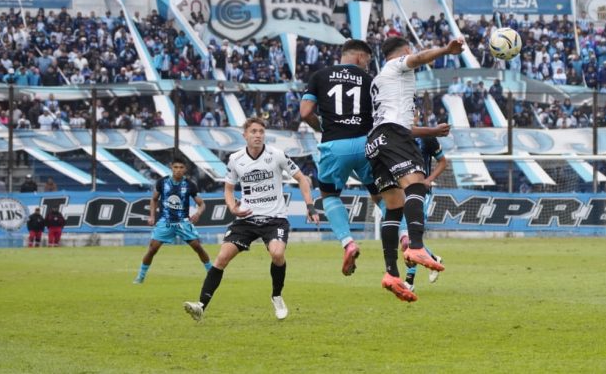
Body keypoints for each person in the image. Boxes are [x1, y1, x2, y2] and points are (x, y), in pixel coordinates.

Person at [184, 116, 320, 322]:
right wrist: (232, 207)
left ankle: (276, 296)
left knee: (277, 254)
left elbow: (302, 178)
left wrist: (310, 206)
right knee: (221, 258)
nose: (258, 135)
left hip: (274, 218)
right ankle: (201, 305)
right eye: (253, 132)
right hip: (246, 218)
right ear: (245, 135)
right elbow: (228, 189)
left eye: (261, 132)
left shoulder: (277, 155)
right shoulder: (235, 159)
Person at [365, 35, 464, 302]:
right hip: (393, 135)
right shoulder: (398, 65)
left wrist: (431, 131)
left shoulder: (379, 80)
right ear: (404, 51)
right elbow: (419, 58)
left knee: (394, 207)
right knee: (417, 185)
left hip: (375, 142)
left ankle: (391, 273)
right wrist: (446, 49)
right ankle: (417, 246)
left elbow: (400, 122)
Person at [299, 39, 378, 276]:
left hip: (334, 144)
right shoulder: (370, 80)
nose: (367, 66)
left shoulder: (320, 76)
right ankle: (406, 237)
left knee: (330, 195)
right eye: (367, 61)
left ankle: (348, 242)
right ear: (359, 57)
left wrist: (321, 127)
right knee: (383, 195)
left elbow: (305, 112)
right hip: (365, 144)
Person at [134, 157, 211, 284]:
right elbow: (154, 199)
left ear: (185, 169)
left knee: (198, 247)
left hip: (183, 223)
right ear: (171, 167)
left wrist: (198, 213)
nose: (178, 170)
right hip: (165, 222)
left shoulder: (190, 184)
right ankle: (140, 276)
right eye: (176, 167)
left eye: (181, 167)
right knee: (152, 249)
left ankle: (211, 273)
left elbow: (202, 204)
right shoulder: (162, 182)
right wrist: (152, 216)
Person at [399, 114, 448, 292]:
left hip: (421, 193)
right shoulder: (396, 134)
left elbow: (443, 162)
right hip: (401, 193)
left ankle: (409, 282)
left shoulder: (427, 137)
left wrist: (428, 179)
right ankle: (433, 259)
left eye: (413, 113)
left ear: (417, 116)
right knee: (405, 241)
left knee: (410, 240)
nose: (410, 116)